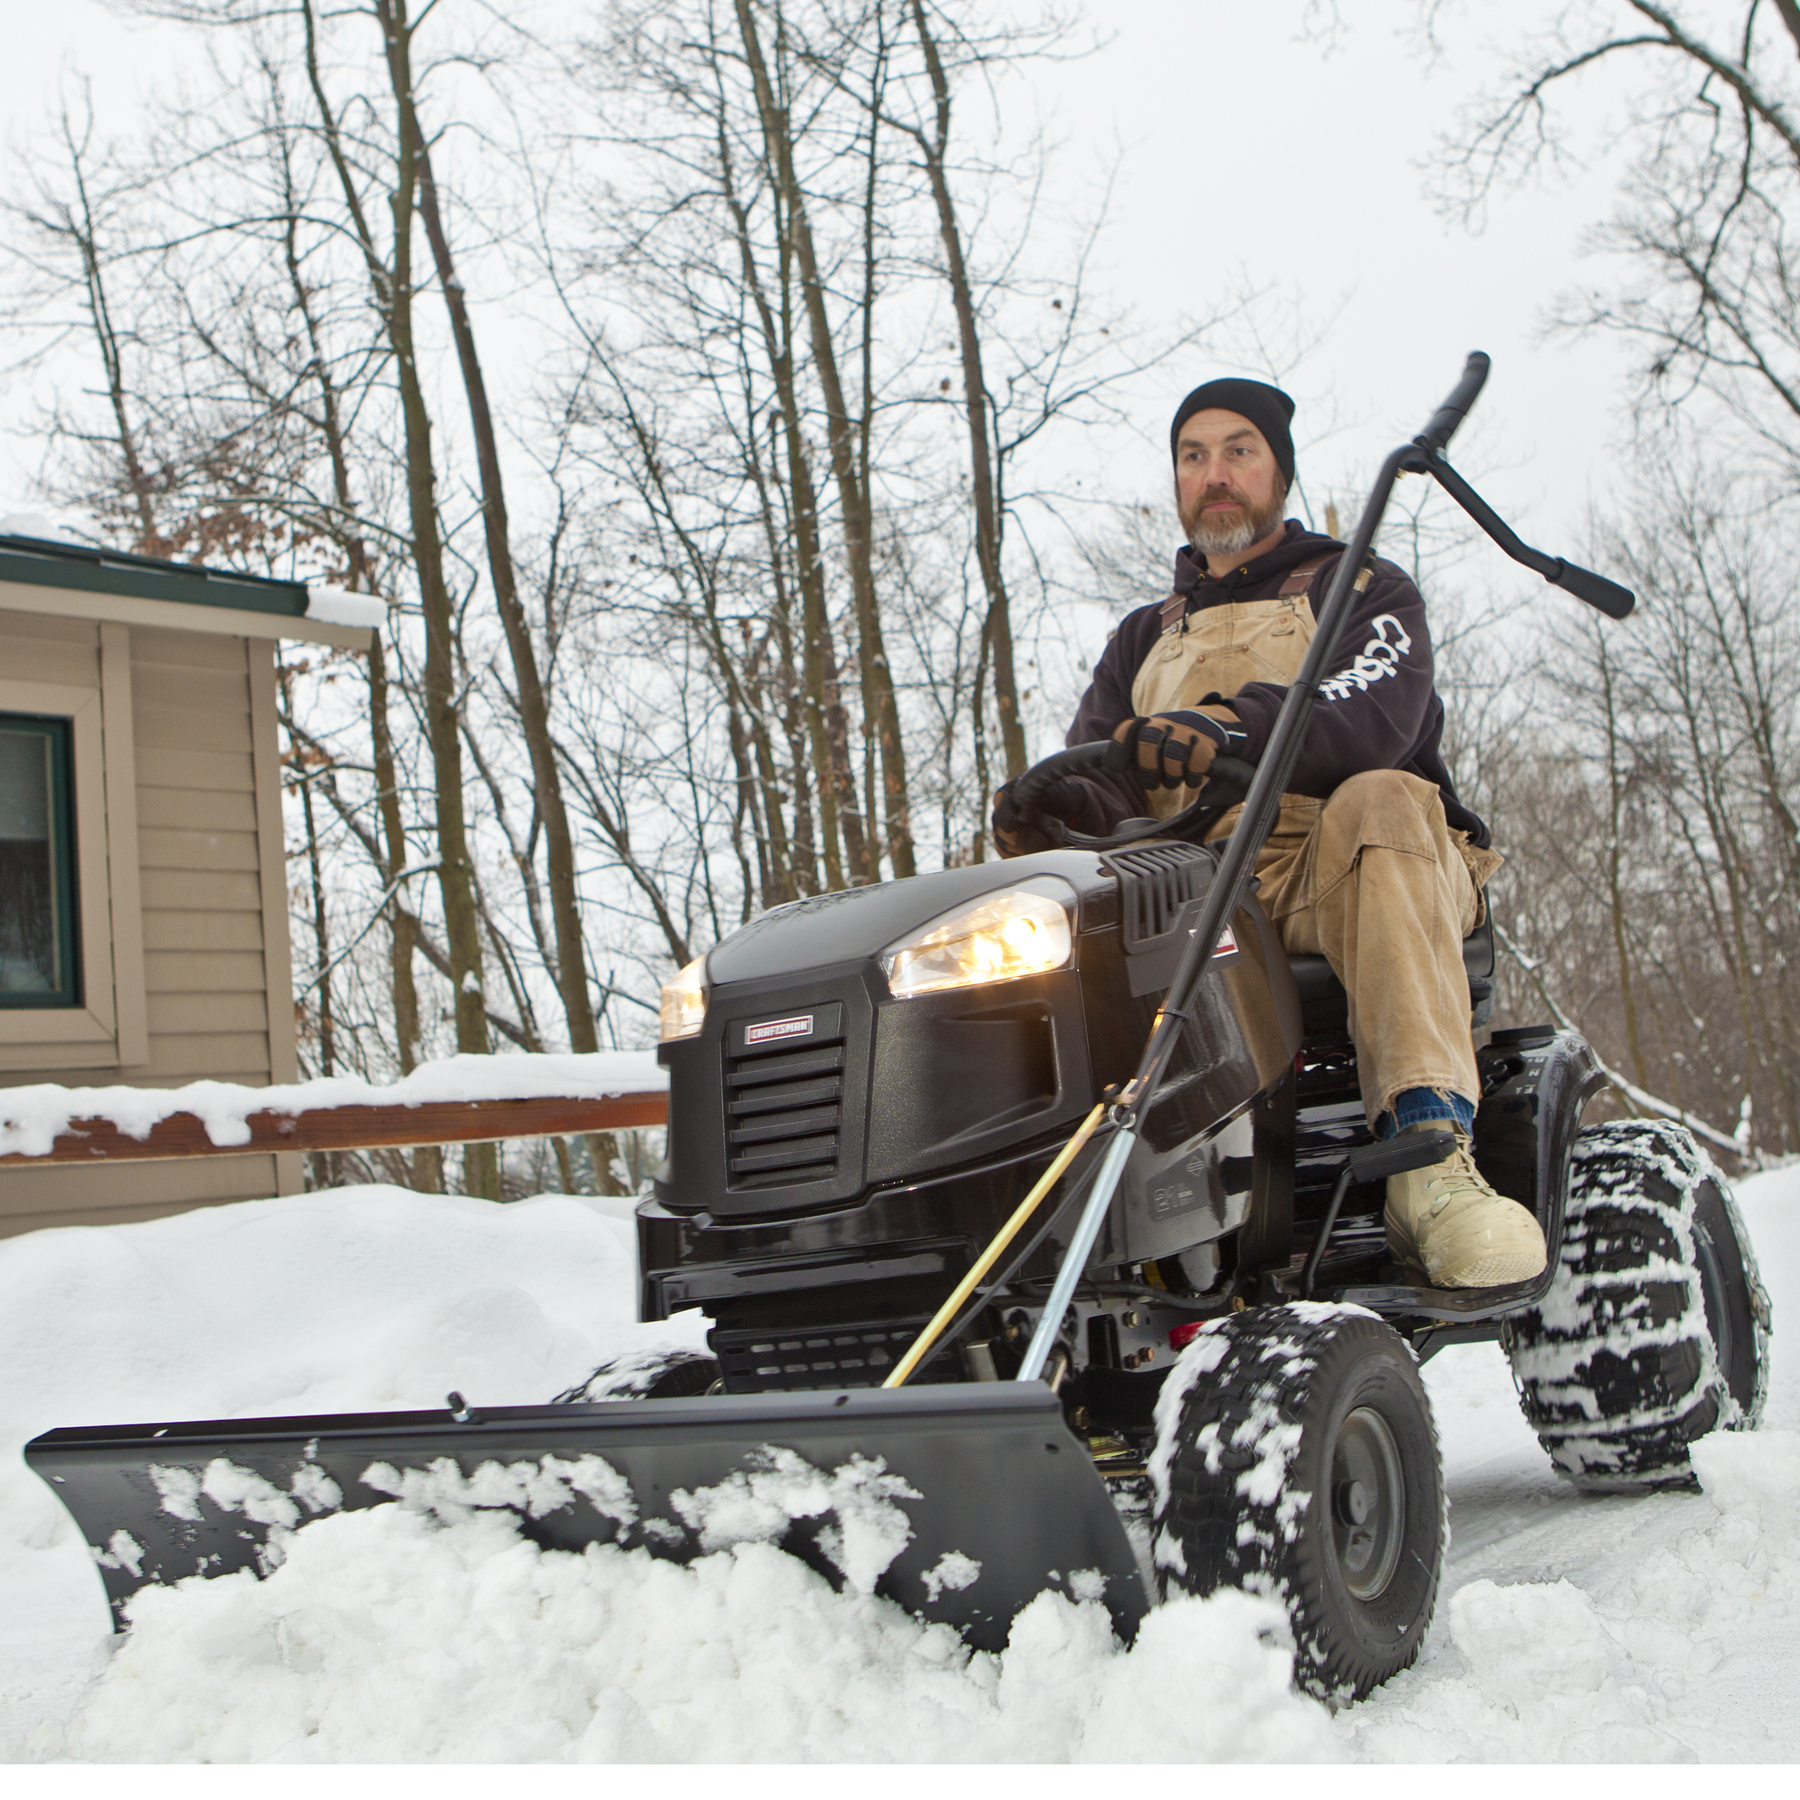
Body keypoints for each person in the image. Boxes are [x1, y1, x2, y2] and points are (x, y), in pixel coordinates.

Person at [992, 377, 1544, 1290]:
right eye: (1194, 454)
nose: (1216, 473)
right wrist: (1045, 817)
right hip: (1201, 896)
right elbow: (1107, 782)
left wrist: (1228, 727)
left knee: (1383, 796)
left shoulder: (1359, 587)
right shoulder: (1143, 638)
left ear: (1279, 472)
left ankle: (1431, 1165)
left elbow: (1375, 714)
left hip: (1344, 867)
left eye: (1239, 451)